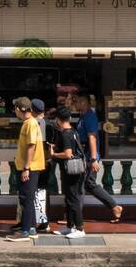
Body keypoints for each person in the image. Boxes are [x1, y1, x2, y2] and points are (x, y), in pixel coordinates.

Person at [74, 92, 123, 223]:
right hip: (85, 155)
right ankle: (114, 206)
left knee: (85, 184)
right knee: (87, 184)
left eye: (77, 101)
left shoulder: (89, 117)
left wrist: (94, 158)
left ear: (84, 103)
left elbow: (92, 137)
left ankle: (75, 216)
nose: (75, 104)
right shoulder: (83, 116)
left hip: (89, 156)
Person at [5, 97, 45, 242]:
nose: (14, 111)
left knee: (27, 198)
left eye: (15, 108)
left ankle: (25, 231)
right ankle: (32, 228)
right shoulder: (28, 123)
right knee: (28, 197)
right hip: (28, 166)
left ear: (20, 109)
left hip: (30, 167)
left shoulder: (31, 124)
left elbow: (31, 146)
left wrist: (26, 168)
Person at [47, 106, 86, 238]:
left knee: (73, 199)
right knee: (69, 198)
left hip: (71, 171)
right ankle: (70, 227)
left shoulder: (65, 134)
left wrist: (54, 154)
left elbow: (68, 154)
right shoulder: (73, 131)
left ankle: (80, 229)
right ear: (69, 118)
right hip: (73, 171)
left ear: (58, 119)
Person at [30, 97, 50, 233]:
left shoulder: (39, 123)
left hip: (40, 162)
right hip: (46, 161)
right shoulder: (47, 122)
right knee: (42, 191)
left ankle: (43, 222)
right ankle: (42, 221)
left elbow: (38, 144)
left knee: (39, 191)